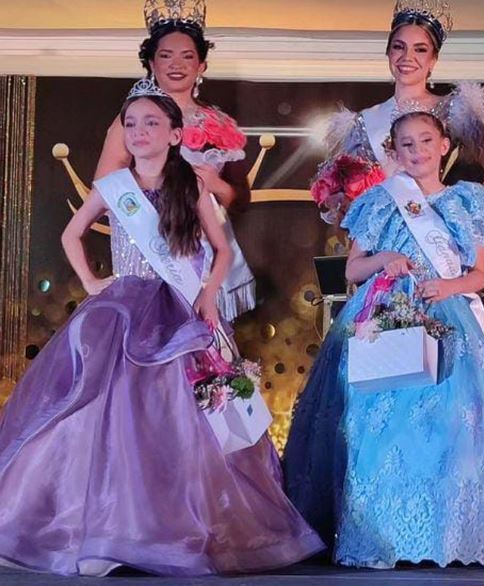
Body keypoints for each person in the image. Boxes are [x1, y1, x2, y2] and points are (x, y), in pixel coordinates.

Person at [0, 81, 323, 577]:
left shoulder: (189, 184)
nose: (139, 132)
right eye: (130, 124)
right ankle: (107, 529)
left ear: (175, 134)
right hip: (124, 311)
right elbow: (72, 233)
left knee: (184, 419)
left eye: (151, 123)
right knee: (112, 416)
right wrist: (91, 280)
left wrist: (210, 295)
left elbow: (221, 250)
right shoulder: (113, 187)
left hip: (182, 309)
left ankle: (176, 529)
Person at [284, 0, 484, 545]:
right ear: (386, 53)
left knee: (452, 415)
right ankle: (375, 525)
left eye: (420, 49)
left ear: (434, 59)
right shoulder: (366, 123)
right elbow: (352, 233)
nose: (408, 58)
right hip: (386, 280)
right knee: (371, 412)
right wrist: (359, 207)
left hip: (443, 276)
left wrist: (464, 219)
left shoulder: (454, 118)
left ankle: (447, 530)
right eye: (398, 47)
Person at [95, 1, 255, 321]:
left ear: (201, 66)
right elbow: (106, 185)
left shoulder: (219, 124)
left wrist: (212, 184)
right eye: (166, 56)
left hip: (205, 247)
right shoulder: (131, 119)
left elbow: (240, 199)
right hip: (150, 247)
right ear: (152, 64)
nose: (176, 64)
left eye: (187, 56)